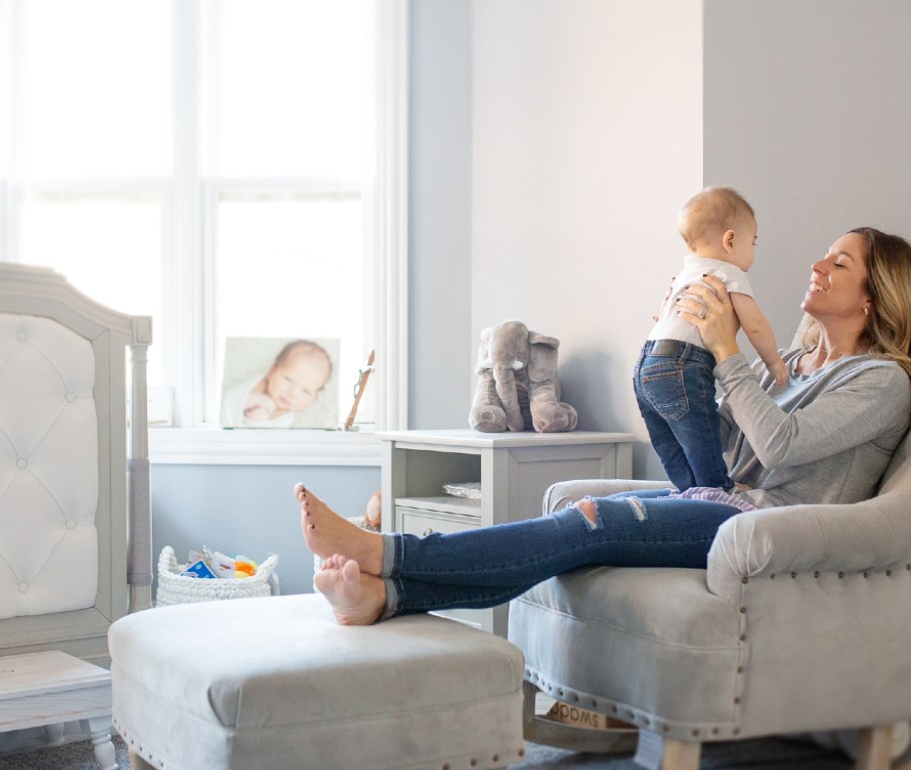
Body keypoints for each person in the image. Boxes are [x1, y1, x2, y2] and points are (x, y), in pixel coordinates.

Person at [296, 227, 911, 626]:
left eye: (839, 260)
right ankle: (387, 596)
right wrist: (679, 360)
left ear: (873, 296)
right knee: (582, 514)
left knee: (592, 520)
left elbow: (781, 444)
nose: (817, 263)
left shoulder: (883, 381)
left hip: (763, 526)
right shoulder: (798, 364)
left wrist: (727, 353)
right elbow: (722, 444)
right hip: (721, 500)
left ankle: (386, 552)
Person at [635, 187, 786, 491]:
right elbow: (754, 325)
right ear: (731, 240)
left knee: (671, 445)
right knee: (701, 437)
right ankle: (718, 492)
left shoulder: (686, 273)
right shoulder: (728, 272)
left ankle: (689, 494)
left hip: (645, 363)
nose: (753, 252)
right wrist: (775, 362)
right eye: (752, 242)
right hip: (681, 364)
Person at [221, 339, 333, 428]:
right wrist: (257, 401)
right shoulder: (260, 385)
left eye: (306, 391)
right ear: (272, 371)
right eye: (288, 379)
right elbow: (228, 402)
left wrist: (259, 419)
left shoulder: (287, 419)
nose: (292, 393)